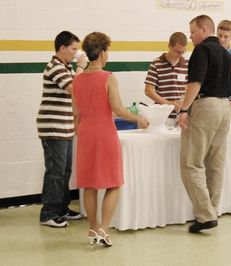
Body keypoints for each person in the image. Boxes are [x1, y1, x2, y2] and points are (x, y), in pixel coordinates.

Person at [72, 32, 148, 246]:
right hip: (105, 133)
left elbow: (75, 113)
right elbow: (118, 109)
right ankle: (104, 229)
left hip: (85, 133)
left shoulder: (77, 80)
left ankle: (92, 229)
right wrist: (139, 119)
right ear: (103, 52)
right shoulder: (108, 77)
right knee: (113, 182)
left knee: (89, 184)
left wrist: (80, 130)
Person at [178, 15, 231, 233]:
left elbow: (195, 82)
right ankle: (211, 211)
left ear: (204, 30)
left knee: (191, 163)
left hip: (206, 105)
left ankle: (205, 215)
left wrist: (184, 109)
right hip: (225, 108)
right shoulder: (226, 53)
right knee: (215, 165)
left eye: (192, 31)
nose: (190, 37)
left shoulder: (202, 50)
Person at [36, 31, 88, 228]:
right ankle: (48, 213)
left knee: (65, 171)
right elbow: (76, 88)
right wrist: (81, 66)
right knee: (55, 172)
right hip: (53, 127)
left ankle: (61, 208)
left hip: (64, 127)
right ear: (62, 48)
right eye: (74, 49)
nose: (76, 53)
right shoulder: (55, 67)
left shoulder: (66, 67)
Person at [144, 32, 188, 122]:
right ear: (169, 46)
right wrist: (169, 104)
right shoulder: (156, 63)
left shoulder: (188, 64)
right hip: (162, 117)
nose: (179, 55)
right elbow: (149, 90)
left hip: (182, 116)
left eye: (182, 52)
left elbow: (191, 88)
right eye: (177, 51)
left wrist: (183, 101)